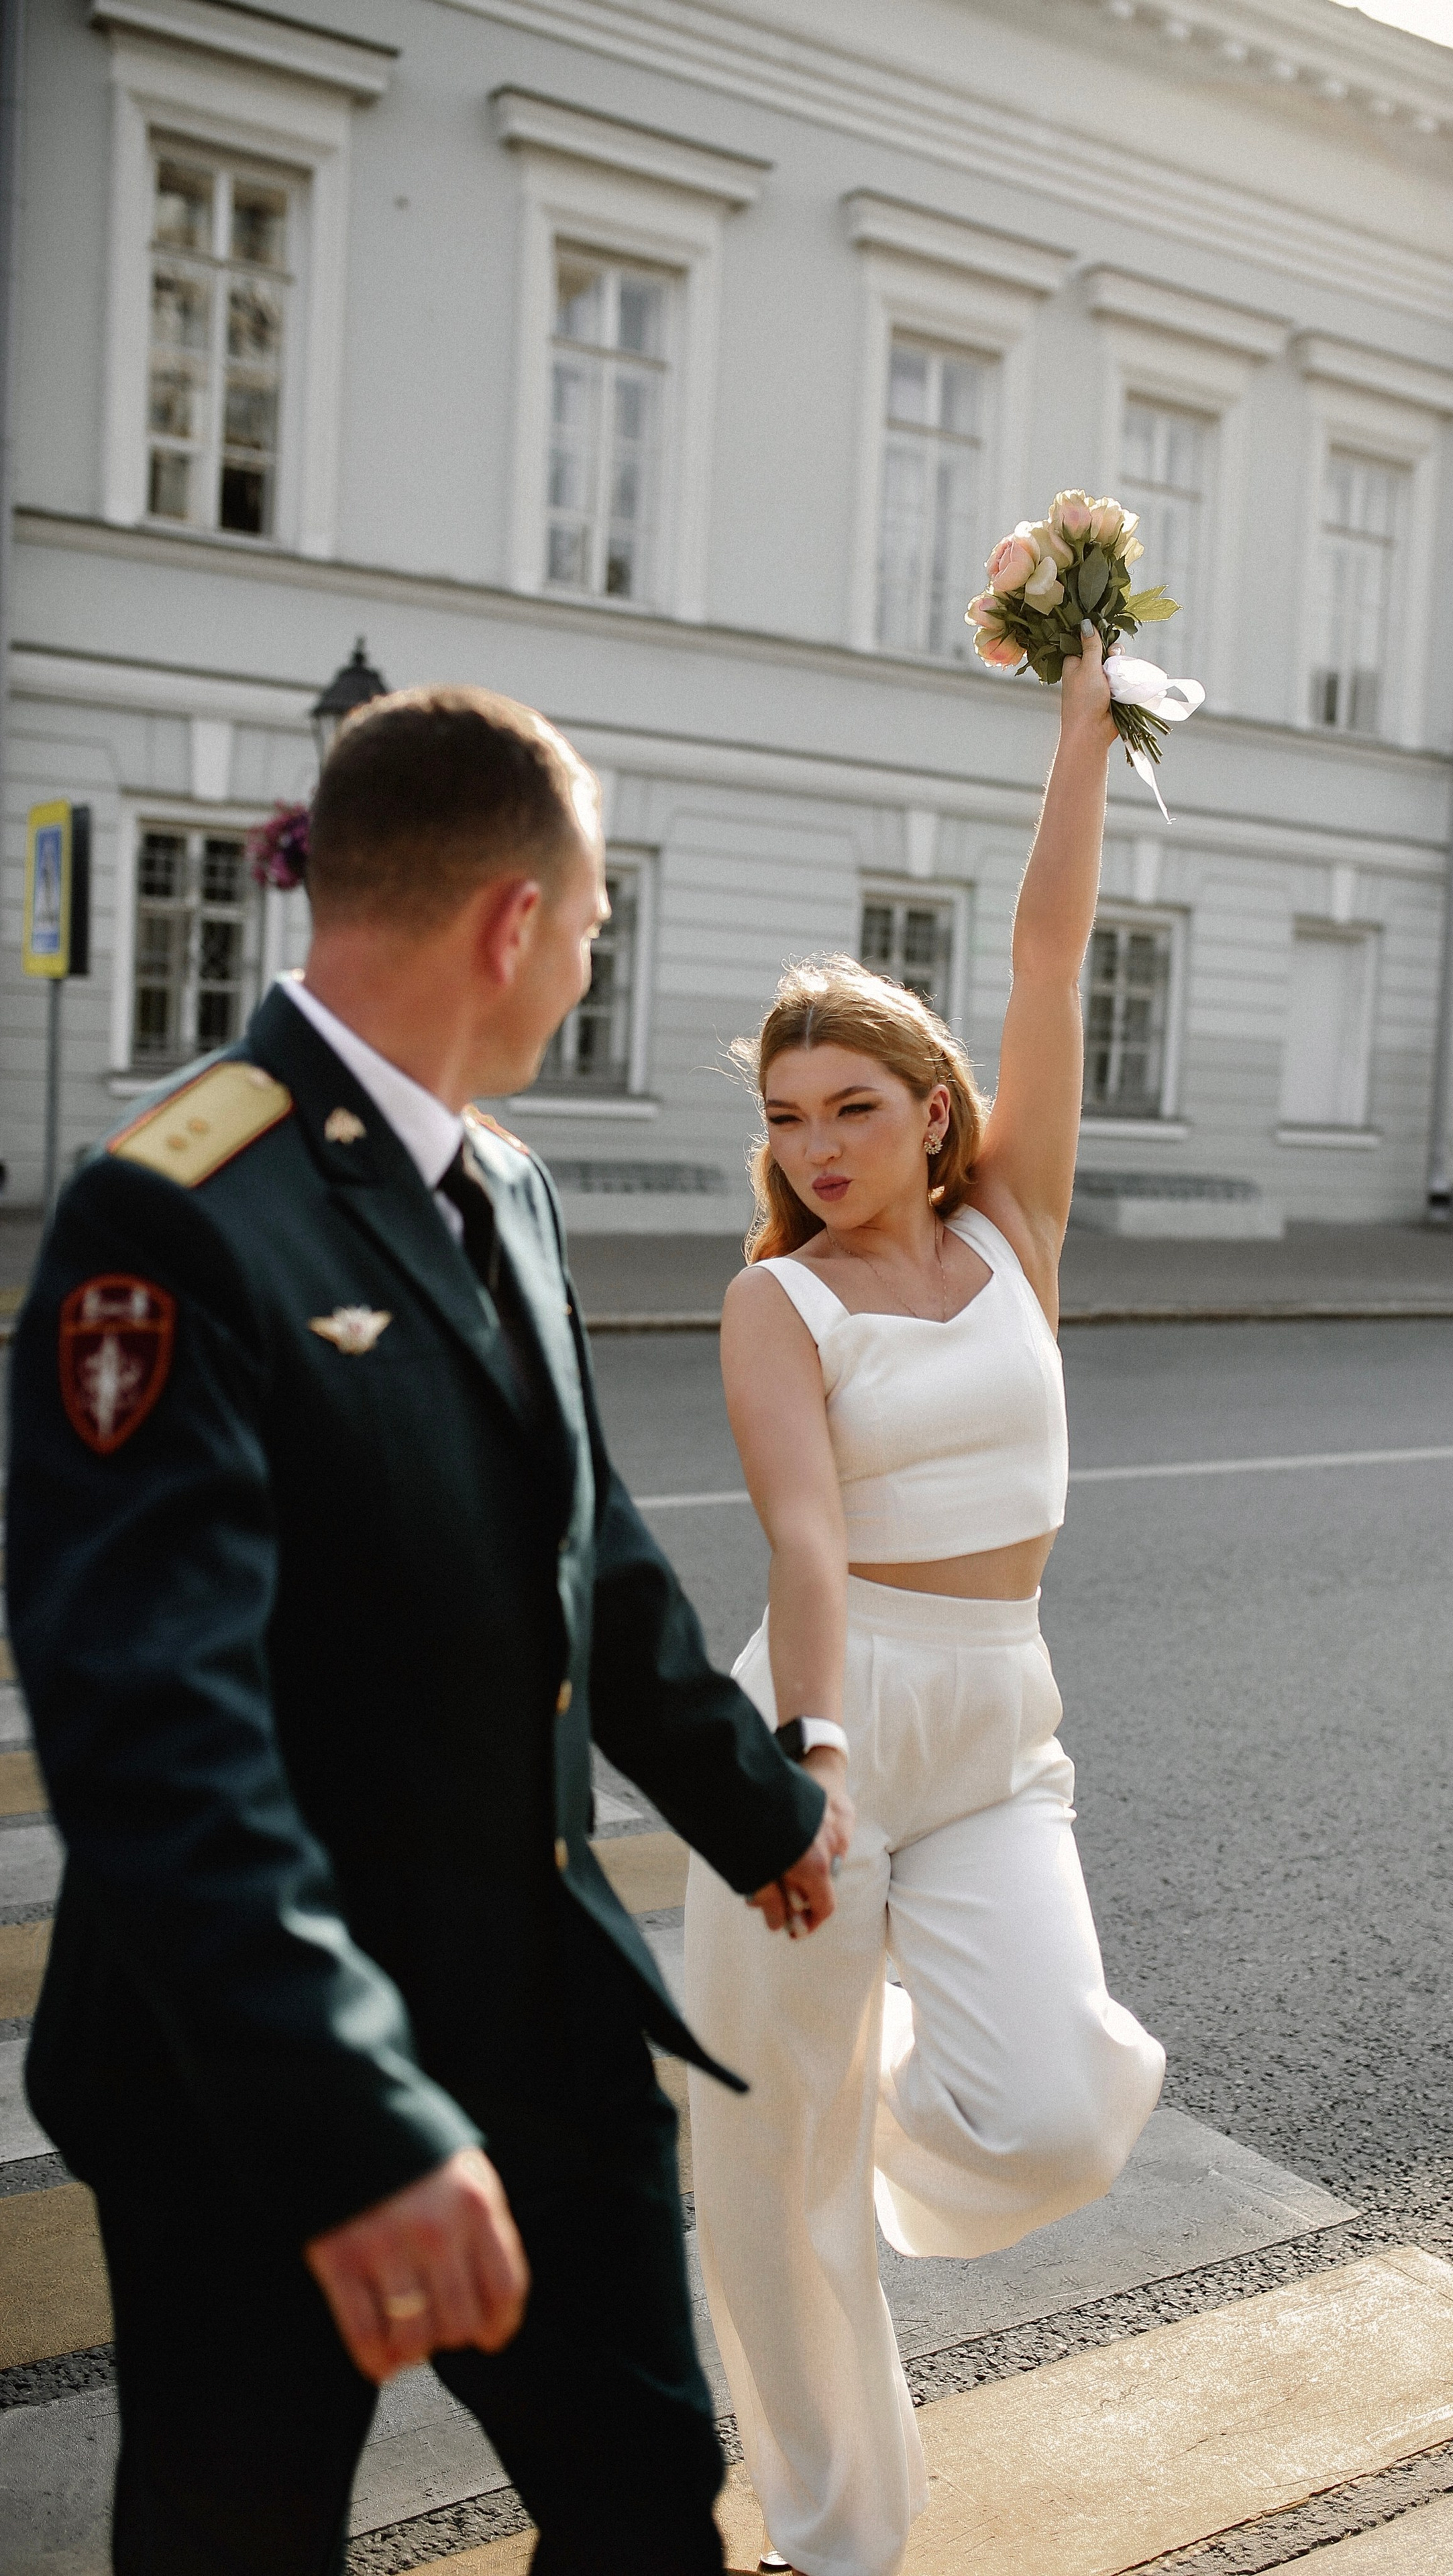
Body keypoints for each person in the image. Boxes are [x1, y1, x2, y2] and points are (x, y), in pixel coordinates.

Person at [7, 686, 849, 2576]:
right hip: (258, 2086)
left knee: (645, 2500)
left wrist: (757, 1808)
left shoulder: (506, 1180)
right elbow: (156, 1728)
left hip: (535, 2020)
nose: (589, 966)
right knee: (238, 2539)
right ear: (511, 925)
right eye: (596, 924)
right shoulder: (171, 1210)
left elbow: (584, 1546)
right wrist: (356, 2112)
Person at [685, 623, 1167, 2576]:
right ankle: (835, 2539)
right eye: (790, 1117)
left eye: (850, 1110)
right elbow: (805, 1537)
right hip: (827, 1715)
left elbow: (1050, 954)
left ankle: (873, 2092)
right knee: (765, 2181)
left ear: (935, 1112)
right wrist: (804, 1764)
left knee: (1056, 2112)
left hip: (998, 1715)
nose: (813, 1148)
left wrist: (1082, 725)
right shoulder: (773, 1298)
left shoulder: (1012, 1231)